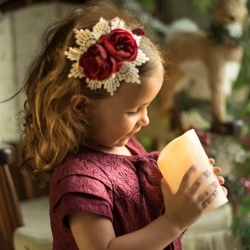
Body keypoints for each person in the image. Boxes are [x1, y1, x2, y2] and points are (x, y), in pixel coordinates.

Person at [19, 2, 227, 250]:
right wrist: (174, 221)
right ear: (82, 108)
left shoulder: (129, 147)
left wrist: (186, 197)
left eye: (147, 106)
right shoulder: (79, 179)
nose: (145, 119)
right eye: (133, 110)